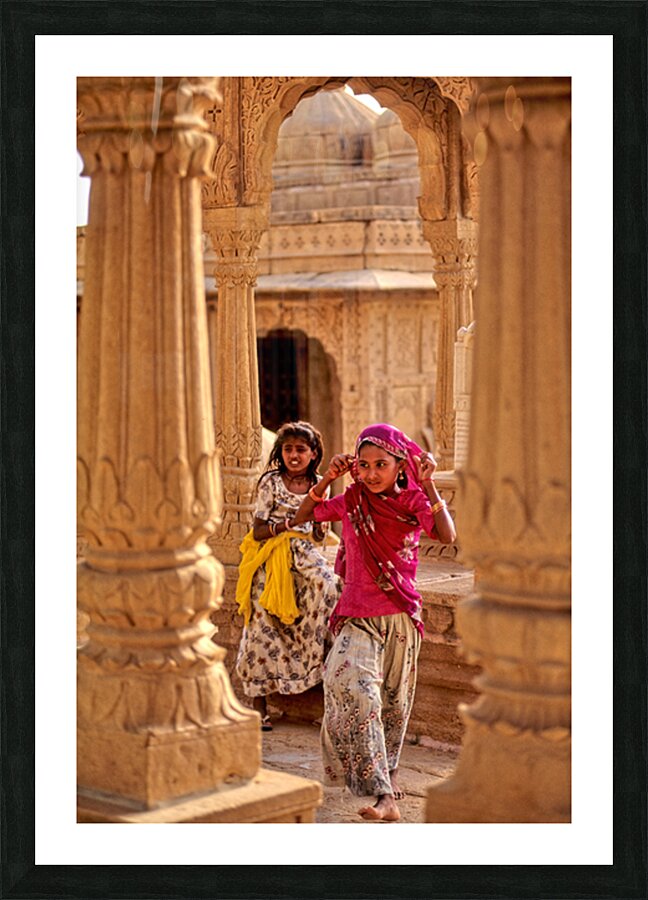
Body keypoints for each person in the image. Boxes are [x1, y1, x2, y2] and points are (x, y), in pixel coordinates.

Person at [289, 422, 456, 821]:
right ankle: (380, 788)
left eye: (381, 464)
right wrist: (330, 476)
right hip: (355, 616)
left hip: (399, 617)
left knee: (393, 708)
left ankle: (388, 796)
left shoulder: (414, 500)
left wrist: (429, 485)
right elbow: (303, 515)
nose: (370, 473)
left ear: (401, 466)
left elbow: (447, 535)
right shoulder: (351, 499)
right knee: (350, 686)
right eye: (363, 465)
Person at [235, 421, 340, 732]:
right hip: (272, 556)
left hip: (305, 556)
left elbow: (320, 531)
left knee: (330, 592)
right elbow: (258, 530)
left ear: (313, 453)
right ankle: (259, 707)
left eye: (301, 449)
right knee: (260, 623)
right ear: (281, 452)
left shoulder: (320, 482)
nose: (294, 455)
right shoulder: (270, 482)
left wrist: (320, 526)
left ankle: (324, 697)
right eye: (288, 449)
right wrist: (287, 526)